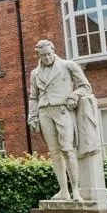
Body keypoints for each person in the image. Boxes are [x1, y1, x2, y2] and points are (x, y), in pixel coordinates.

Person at [26, 38, 98, 200]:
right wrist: (32, 116)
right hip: (44, 112)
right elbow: (33, 97)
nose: (47, 58)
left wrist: (74, 95)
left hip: (62, 110)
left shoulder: (68, 65)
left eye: (49, 54)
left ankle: (76, 190)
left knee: (68, 150)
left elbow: (86, 86)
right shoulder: (35, 73)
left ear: (53, 51)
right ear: (38, 55)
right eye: (43, 56)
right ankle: (63, 191)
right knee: (55, 153)